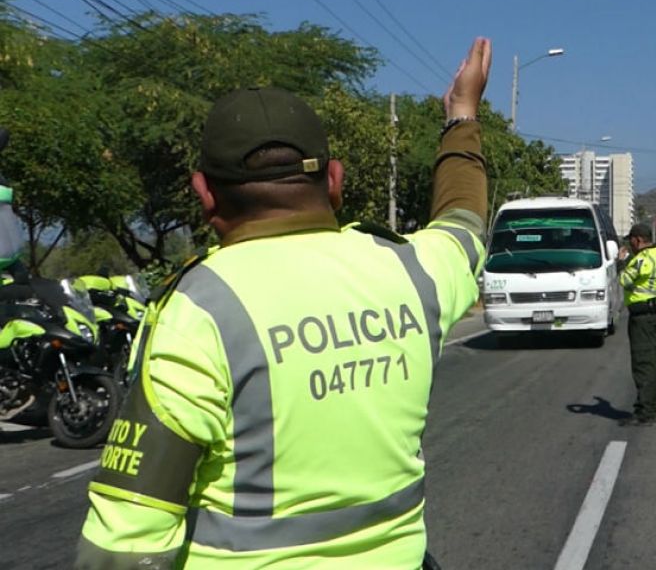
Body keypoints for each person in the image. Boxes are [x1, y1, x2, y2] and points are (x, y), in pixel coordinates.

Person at [75, 37, 492, 569]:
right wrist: (462, 116)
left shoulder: (198, 311)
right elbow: (463, 223)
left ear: (204, 193)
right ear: (334, 180)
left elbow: (124, 542)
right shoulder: (412, 271)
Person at [619, 223, 656, 427]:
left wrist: (621, 262)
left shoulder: (640, 260)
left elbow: (625, 281)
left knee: (643, 364)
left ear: (638, 240)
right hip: (654, 314)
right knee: (653, 363)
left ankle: (645, 413)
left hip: (642, 318)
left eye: (631, 240)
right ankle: (652, 408)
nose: (629, 244)